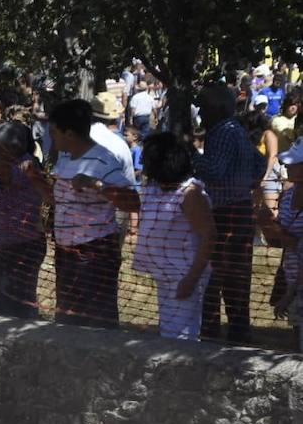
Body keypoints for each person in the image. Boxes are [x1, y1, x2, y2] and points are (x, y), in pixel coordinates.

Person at [22, 99, 139, 328]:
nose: (51, 137)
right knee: (68, 319)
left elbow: (132, 202)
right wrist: (36, 180)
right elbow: (58, 201)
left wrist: (97, 185)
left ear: (70, 133)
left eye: (54, 132)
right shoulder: (65, 158)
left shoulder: (104, 159)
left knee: (96, 321)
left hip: (94, 254)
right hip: (67, 253)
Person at [195, 82, 266, 343]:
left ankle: (213, 334)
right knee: (237, 279)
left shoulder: (224, 131)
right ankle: (238, 333)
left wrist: (189, 152)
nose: (200, 111)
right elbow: (259, 166)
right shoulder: (235, 130)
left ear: (217, 107)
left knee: (216, 277)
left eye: (203, 105)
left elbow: (214, 170)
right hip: (239, 210)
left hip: (227, 214)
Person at [131, 133, 216, 341]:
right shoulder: (155, 187)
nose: (144, 165)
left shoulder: (191, 194)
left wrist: (191, 279)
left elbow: (210, 236)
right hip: (166, 274)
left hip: (184, 275)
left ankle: (182, 372)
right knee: (169, 332)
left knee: (181, 337)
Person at [0, 121, 46, 318]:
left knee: (19, 304)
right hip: (3, 248)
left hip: (23, 248)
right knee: (4, 303)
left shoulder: (27, 164)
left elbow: (3, 174)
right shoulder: (6, 164)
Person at [256, 140, 303, 350]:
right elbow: (285, 240)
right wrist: (269, 224)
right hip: (292, 275)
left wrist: (289, 294)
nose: (287, 167)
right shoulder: (288, 196)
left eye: (293, 163)